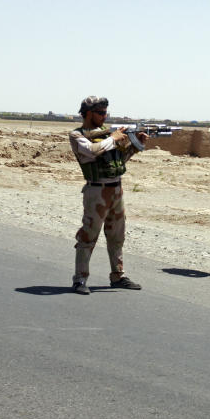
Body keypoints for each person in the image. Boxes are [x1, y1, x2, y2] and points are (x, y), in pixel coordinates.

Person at [68, 96, 147, 295]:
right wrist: (114, 138)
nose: (104, 116)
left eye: (106, 113)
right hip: (96, 191)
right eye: (100, 113)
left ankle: (118, 275)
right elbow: (93, 151)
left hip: (116, 190)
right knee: (88, 236)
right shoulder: (77, 135)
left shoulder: (107, 136)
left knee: (117, 236)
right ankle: (80, 279)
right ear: (87, 113)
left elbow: (118, 161)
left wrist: (135, 146)